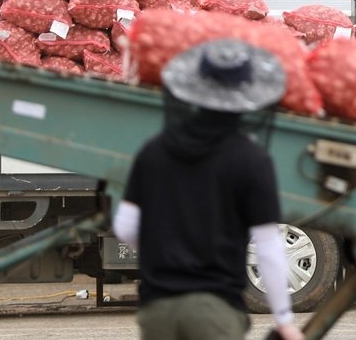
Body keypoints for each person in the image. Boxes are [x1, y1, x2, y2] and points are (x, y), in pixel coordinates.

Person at [112, 39, 304, 340]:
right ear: (246, 93)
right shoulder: (251, 159)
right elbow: (268, 247)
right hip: (215, 309)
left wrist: (166, 254)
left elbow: (125, 228)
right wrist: (284, 320)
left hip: (157, 307)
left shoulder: (155, 150)